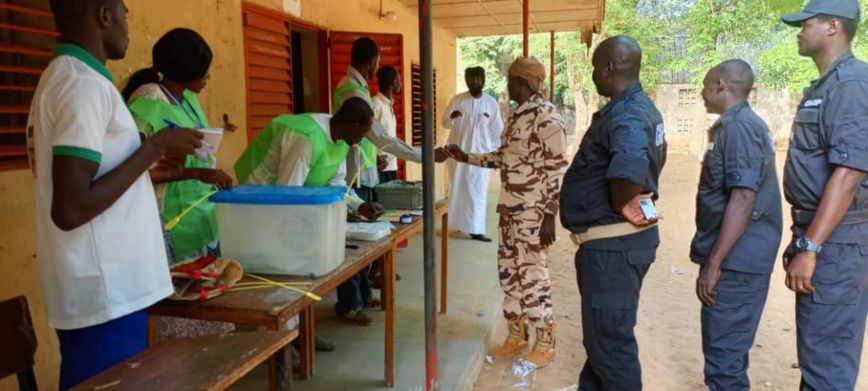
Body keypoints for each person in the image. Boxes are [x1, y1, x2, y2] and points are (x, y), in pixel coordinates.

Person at [30, 1, 202, 388]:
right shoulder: (83, 86)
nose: (128, 23)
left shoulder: (74, 78)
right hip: (104, 292)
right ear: (103, 15)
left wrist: (145, 165)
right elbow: (71, 207)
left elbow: (92, 176)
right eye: (124, 12)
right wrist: (153, 147)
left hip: (106, 290)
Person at [440, 57, 568, 368]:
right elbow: (502, 157)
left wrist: (550, 216)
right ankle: (516, 335)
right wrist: (466, 156)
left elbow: (559, 170)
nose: (507, 85)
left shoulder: (547, 117)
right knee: (509, 275)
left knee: (534, 276)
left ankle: (545, 341)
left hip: (533, 216)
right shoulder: (516, 115)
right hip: (509, 212)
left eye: (510, 80)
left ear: (523, 82)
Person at [559, 36, 666, 389]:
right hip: (617, 247)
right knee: (601, 343)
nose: (592, 75)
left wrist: (623, 201)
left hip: (613, 250)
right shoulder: (640, 107)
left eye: (594, 68)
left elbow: (631, 166)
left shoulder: (628, 114)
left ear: (608, 68)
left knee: (611, 349)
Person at [121, 28, 236, 340]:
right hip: (168, 220)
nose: (209, 76)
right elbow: (138, 169)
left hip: (200, 216)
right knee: (180, 310)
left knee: (209, 307)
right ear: (186, 69)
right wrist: (200, 174)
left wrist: (208, 167)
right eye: (204, 69)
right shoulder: (147, 103)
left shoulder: (189, 101)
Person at [780, 1, 868, 389]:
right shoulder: (828, 83)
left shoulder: (851, 84)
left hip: (838, 243)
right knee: (818, 355)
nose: (799, 30)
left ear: (833, 26)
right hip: (826, 235)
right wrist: (802, 238)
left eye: (806, 23)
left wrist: (811, 246)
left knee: (826, 365)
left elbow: (849, 172)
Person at [691, 59, 782, 390]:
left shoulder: (740, 128)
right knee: (726, 354)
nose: (701, 93)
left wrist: (713, 264)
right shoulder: (736, 125)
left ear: (720, 86)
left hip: (736, 264)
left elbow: (743, 198)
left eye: (704, 86)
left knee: (724, 362)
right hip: (739, 259)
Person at [332, 37, 421, 201]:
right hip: (356, 175)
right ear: (371, 62)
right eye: (377, 62)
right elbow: (380, 136)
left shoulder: (356, 87)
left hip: (366, 169)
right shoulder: (353, 91)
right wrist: (422, 155)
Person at [442, 67, 504, 242]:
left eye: (478, 79)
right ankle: (461, 225)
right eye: (471, 79)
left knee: (477, 192)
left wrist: (495, 154)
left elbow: (496, 130)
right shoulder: (457, 100)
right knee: (460, 190)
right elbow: (445, 122)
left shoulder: (491, 103)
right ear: (467, 80)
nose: (475, 82)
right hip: (458, 156)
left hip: (480, 156)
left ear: (483, 80)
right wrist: (452, 117)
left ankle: (476, 230)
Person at [372, 65, 402, 185]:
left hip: (391, 166)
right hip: (380, 169)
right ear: (394, 82)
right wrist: (375, 158)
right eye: (399, 80)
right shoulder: (375, 104)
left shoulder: (389, 105)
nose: (401, 84)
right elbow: (365, 135)